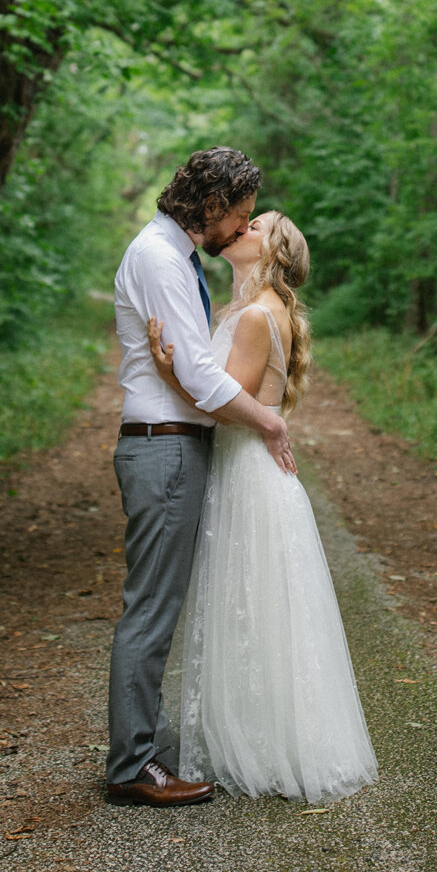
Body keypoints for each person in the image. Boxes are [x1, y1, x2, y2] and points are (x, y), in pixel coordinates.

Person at [147, 208, 378, 805]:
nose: (240, 229)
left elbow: (222, 402)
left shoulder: (254, 316)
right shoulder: (253, 310)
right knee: (258, 604)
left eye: (255, 228)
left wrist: (169, 371)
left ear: (272, 254)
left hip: (247, 472)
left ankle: (257, 744)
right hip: (248, 467)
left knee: (249, 602)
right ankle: (256, 733)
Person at [105, 147, 291, 807]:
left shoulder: (175, 257)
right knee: (151, 609)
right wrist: (268, 423)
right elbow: (202, 377)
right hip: (165, 447)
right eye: (238, 217)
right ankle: (133, 765)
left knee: (158, 606)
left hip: (174, 443)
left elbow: (190, 367)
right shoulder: (160, 257)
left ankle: (146, 751)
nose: (240, 230)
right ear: (210, 206)